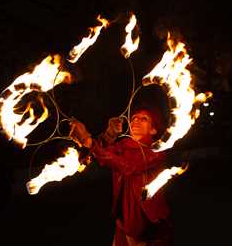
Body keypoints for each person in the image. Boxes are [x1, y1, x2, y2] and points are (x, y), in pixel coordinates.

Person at [70, 105, 172, 246]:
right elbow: (90, 156)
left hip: (147, 227)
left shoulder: (156, 151)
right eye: (134, 118)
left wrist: (89, 142)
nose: (136, 121)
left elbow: (128, 166)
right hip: (124, 224)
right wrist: (109, 135)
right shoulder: (123, 145)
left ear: (153, 129)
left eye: (144, 119)